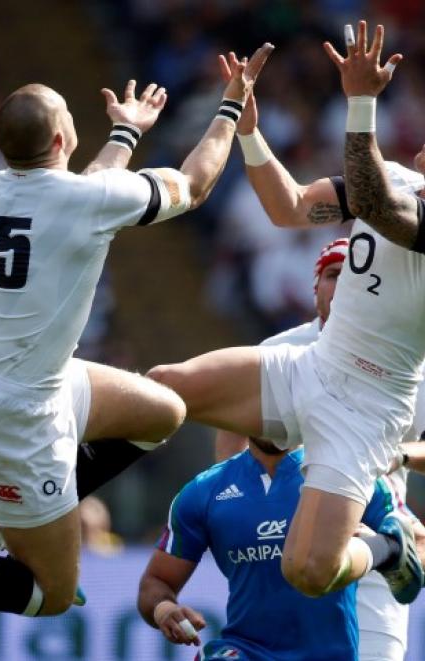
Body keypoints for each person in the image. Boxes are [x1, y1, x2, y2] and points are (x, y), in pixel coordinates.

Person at [0, 44, 274, 618]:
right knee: (52, 595)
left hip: (15, 378)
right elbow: (192, 186)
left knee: (162, 411)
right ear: (64, 141)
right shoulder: (80, 199)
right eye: (70, 118)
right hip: (16, 416)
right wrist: (228, 108)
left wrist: (124, 134)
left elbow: (88, 189)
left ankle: (51, 503)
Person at [147, 21, 425, 606]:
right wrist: (250, 134)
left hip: (368, 405)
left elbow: (377, 203)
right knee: (161, 391)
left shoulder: (394, 195)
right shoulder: (398, 177)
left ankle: (388, 548)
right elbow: (289, 207)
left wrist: (359, 102)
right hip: (314, 366)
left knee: (307, 570)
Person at [216, 237, 421, 661]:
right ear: (315, 289)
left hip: (373, 547)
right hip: (279, 546)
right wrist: (244, 510)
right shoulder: (276, 352)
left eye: (357, 276)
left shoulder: (411, 358)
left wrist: (398, 454)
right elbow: (230, 434)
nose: (345, 284)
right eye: (333, 274)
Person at [138, 436, 418, 661]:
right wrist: (163, 609)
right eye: (262, 403)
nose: (272, 415)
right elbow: (157, 582)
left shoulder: (347, 478)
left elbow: (417, 542)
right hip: (245, 650)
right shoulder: (204, 491)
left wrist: (376, 548)